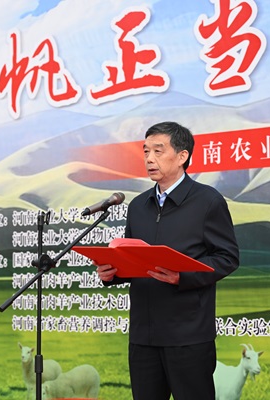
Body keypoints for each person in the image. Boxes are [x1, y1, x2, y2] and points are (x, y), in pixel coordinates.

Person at [96, 121, 240, 400]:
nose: (149, 159)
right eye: (146, 151)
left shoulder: (207, 201)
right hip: (143, 336)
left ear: (182, 156)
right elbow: (133, 259)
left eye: (158, 151)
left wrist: (182, 277)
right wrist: (113, 273)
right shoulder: (138, 206)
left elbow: (227, 257)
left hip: (188, 336)